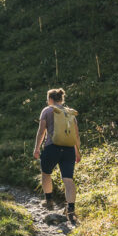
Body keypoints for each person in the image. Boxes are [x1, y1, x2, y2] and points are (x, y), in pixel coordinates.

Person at [33, 87, 80, 223]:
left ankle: (49, 200)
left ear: (50, 99)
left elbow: (41, 131)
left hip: (52, 147)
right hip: (69, 149)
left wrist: (37, 148)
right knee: (68, 179)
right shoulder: (69, 113)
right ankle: (70, 210)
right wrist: (77, 152)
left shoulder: (47, 110)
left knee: (46, 173)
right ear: (62, 99)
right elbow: (76, 134)